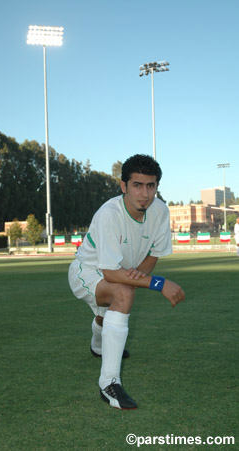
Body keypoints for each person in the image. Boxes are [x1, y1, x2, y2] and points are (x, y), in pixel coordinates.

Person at [68, 154, 185, 410]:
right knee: (122, 295)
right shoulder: (109, 213)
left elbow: (154, 253)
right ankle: (109, 383)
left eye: (151, 185)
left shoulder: (160, 210)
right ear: (124, 186)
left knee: (116, 305)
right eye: (137, 185)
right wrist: (158, 283)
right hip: (87, 271)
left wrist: (134, 279)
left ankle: (98, 345)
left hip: (121, 272)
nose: (144, 193)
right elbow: (110, 273)